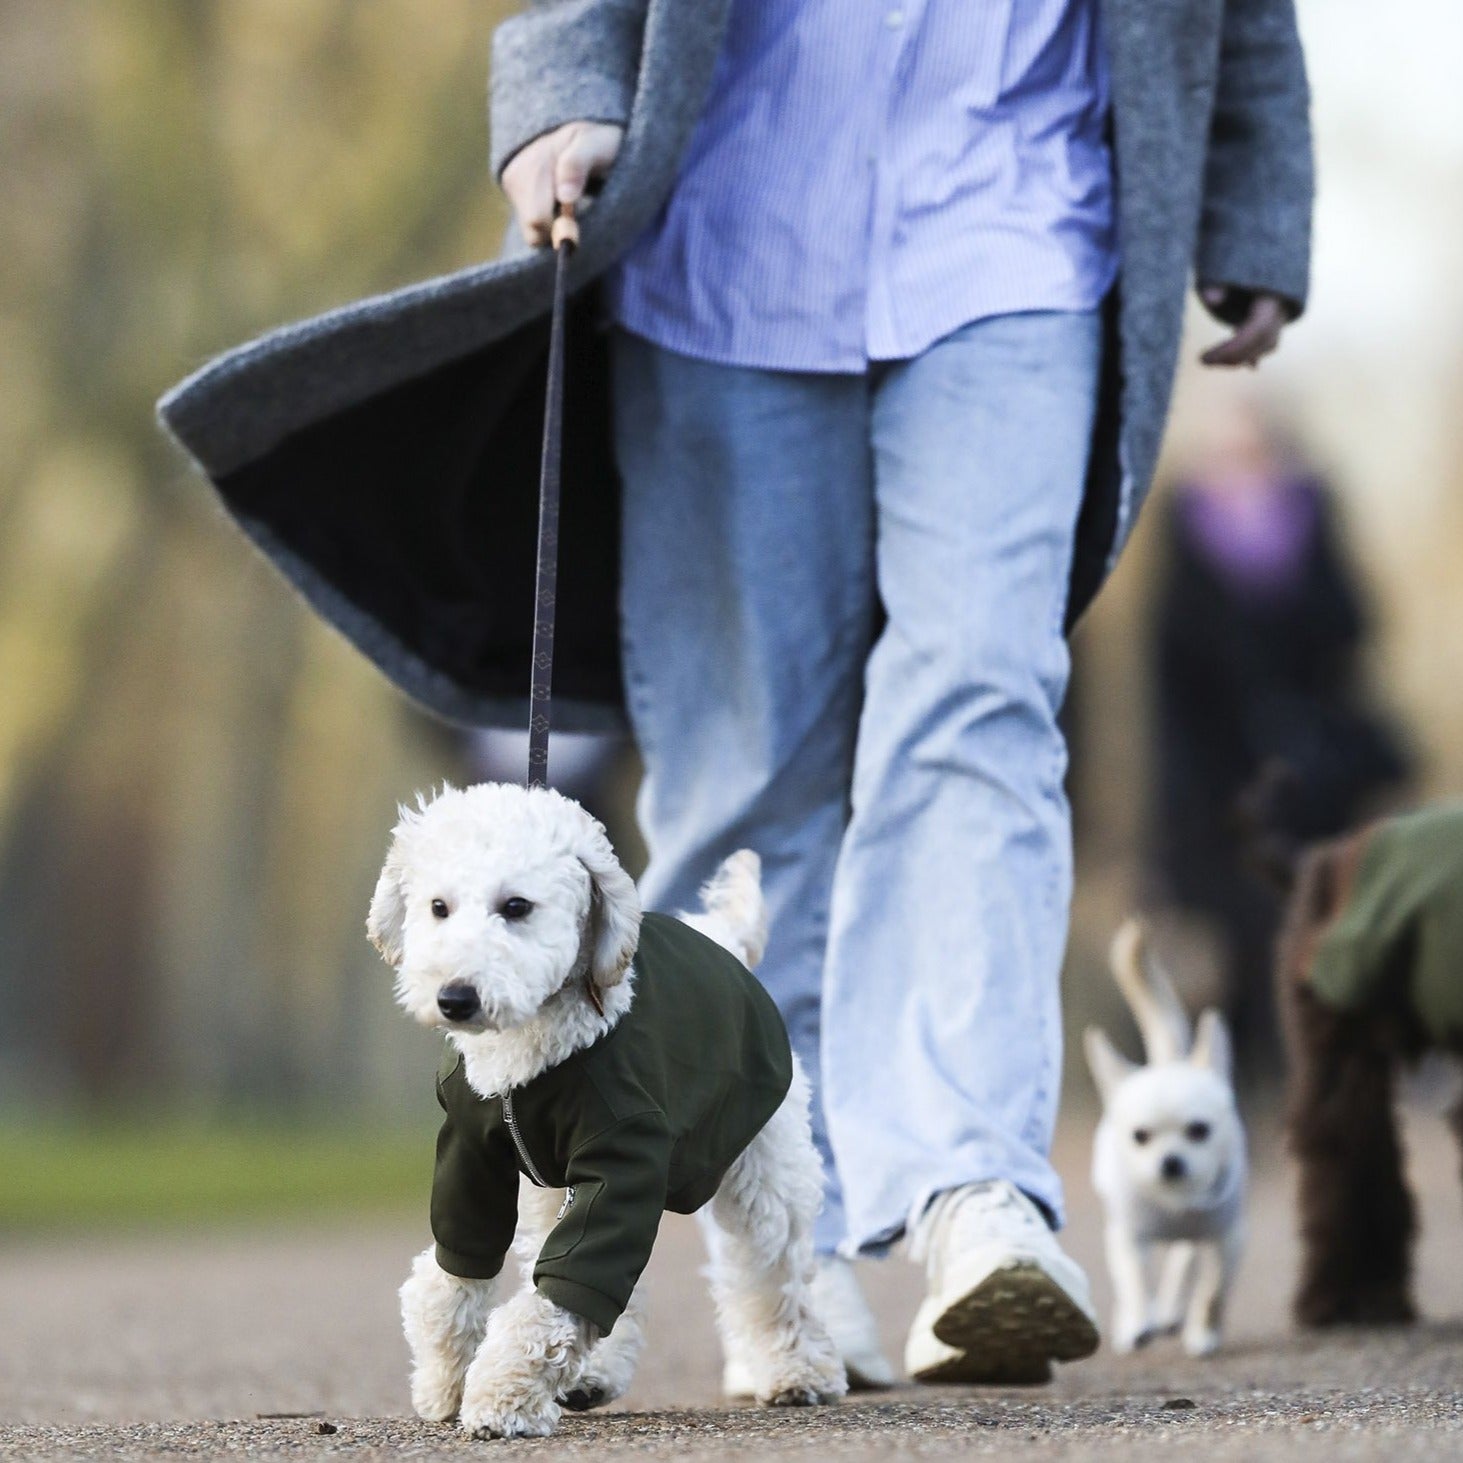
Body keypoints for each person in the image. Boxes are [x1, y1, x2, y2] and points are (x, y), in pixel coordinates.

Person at [158, 0, 1314, 1393]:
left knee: (981, 699)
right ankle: (786, 1251)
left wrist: (1251, 192)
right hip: (728, 230)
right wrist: (561, 81)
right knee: (746, 773)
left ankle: (971, 1194)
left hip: (1019, 219)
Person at [1148, 396, 1408, 1084]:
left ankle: (1318, 1085)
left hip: (1310, 777)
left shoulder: (1312, 519)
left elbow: (1353, 636)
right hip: (1215, 787)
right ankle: (1239, 1093)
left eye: (1249, 452)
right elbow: (1169, 682)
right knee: (1233, 943)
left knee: (1312, 931)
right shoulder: (1181, 533)